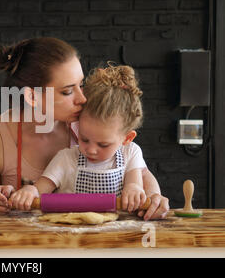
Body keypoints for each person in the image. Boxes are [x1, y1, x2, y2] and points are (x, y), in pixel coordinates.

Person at [0, 37, 169, 220]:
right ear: (32, 97)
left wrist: (154, 197)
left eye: (81, 85)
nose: (82, 99)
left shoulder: (85, 123)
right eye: (67, 91)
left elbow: (136, 167)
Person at [9, 64, 148, 213]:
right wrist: (29, 191)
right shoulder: (66, 159)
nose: (91, 150)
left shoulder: (130, 154)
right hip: (70, 233)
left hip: (116, 233)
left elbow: (134, 183)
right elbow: (39, 189)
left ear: (127, 138)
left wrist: (134, 189)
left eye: (103, 144)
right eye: (84, 139)